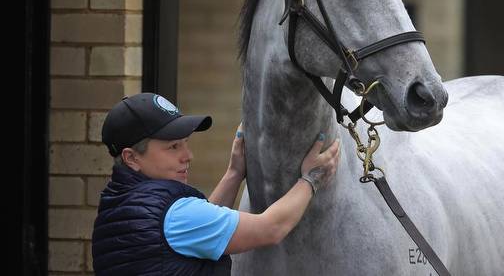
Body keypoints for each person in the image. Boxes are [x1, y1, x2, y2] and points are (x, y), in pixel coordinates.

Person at [91, 93, 340, 275]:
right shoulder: (174, 216)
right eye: (173, 147)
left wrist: (234, 173)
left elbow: (198, 231)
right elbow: (271, 228)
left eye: (186, 142)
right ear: (132, 158)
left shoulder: (120, 204)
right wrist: (310, 179)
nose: (188, 156)